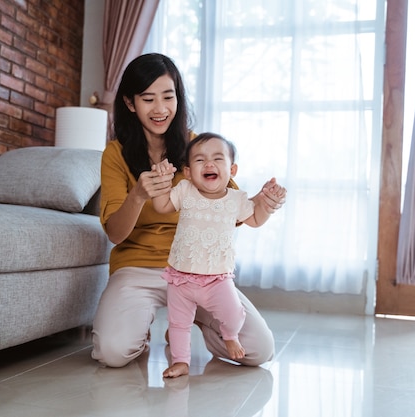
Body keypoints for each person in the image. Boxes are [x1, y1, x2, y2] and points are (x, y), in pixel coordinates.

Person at [91, 53, 286, 376]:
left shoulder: (197, 147)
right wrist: (139, 195)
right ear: (129, 103)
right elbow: (115, 233)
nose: (160, 109)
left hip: (202, 271)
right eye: (148, 98)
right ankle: (145, 330)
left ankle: (185, 321)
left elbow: (235, 208)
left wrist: (265, 201)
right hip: (138, 267)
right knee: (112, 352)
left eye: (168, 96)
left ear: (178, 98)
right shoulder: (115, 154)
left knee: (258, 349)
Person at [150, 133, 286, 377]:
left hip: (217, 280)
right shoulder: (184, 190)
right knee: (178, 323)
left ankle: (230, 336)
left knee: (233, 313)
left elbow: (255, 219)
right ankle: (181, 361)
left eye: (217, 159)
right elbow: (161, 206)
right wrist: (161, 183)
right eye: (200, 160)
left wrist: (266, 205)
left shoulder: (237, 199)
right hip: (181, 277)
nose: (209, 164)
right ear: (189, 172)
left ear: (232, 169)